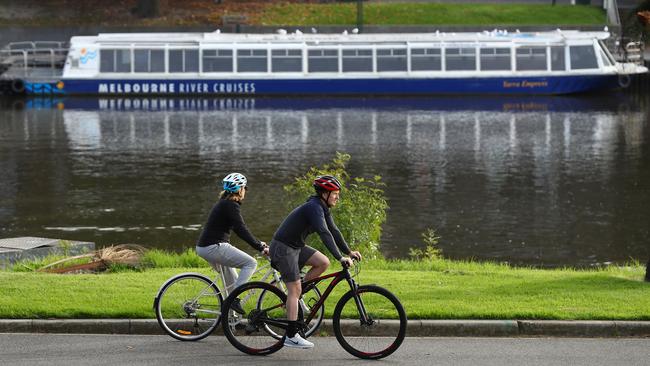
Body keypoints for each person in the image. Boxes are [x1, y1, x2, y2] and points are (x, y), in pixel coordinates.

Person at [269, 175, 362, 349]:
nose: (337, 197)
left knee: (323, 262)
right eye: (335, 193)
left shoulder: (322, 207)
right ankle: (291, 335)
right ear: (325, 193)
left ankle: (296, 296)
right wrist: (340, 258)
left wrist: (348, 251)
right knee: (294, 289)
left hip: (295, 247)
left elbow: (333, 230)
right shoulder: (314, 207)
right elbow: (324, 233)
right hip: (283, 248)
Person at [196, 172, 269, 315]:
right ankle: (234, 301)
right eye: (244, 189)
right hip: (214, 247)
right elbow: (241, 229)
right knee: (251, 263)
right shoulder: (231, 205)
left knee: (233, 283)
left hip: (206, 247)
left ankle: (230, 319)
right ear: (240, 189)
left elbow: (239, 229)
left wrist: (258, 242)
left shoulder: (224, 204)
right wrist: (260, 247)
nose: (244, 192)